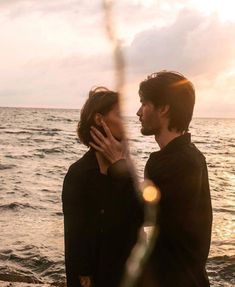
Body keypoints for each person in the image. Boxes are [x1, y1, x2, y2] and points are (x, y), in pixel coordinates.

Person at [90, 71, 213, 287]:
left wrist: (118, 163)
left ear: (164, 108)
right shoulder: (191, 156)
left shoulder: (172, 163)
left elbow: (135, 214)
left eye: (144, 104)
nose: (138, 112)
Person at [62, 87, 143, 287]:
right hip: (93, 277)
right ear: (100, 119)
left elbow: (139, 217)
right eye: (119, 114)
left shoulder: (125, 168)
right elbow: (75, 233)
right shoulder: (79, 173)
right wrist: (83, 273)